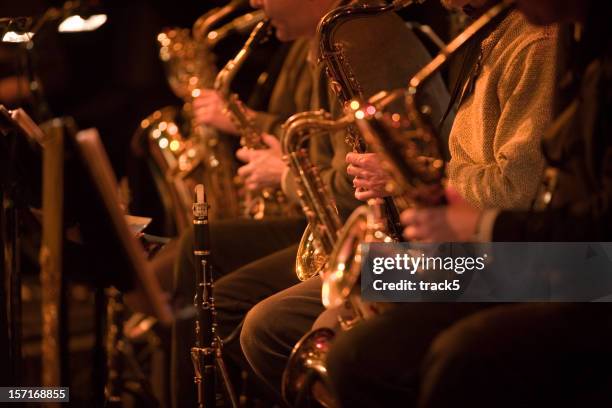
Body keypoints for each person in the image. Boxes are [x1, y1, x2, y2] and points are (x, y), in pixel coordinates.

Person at [319, 1, 563, 407]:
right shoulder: (492, 35)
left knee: (341, 342)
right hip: (474, 255)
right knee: (347, 293)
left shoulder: (537, 43)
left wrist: (412, 177)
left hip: (500, 265)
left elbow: (516, 191)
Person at [238, 0, 452, 403]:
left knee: (285, 328)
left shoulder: (359, 34)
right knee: (270, 321)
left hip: (479, 254)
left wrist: (424, 180)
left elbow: (517, 192)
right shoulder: (336, 34)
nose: (255, 3)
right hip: (433, 239)